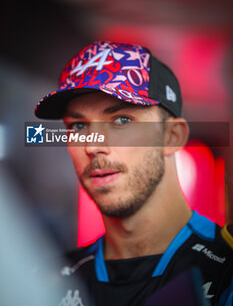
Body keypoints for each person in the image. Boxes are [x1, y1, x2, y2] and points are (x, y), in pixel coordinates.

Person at [35, 41, 233, 306]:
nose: (92, 145)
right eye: (79, 125)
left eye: (122, 120)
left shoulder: (226, 268)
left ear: (172, 136)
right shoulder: (47, 281)